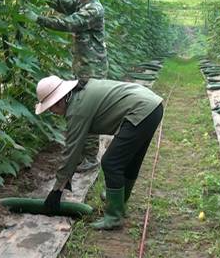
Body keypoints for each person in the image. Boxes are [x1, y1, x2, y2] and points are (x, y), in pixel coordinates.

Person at [35, 75, 163, 230]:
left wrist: (56, 190)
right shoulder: (80, 95)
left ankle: (114, 217)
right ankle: (120, 202)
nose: (51, 112)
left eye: (50, 108)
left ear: (59, 100)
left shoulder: (77, 109)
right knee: (131, 161)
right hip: (153, 107)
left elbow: (72, 151)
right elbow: (80, 144)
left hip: (141, 109)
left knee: (111, 162)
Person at [22, 0, 108, 172]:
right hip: (84, 67)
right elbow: (63, 3)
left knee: (88, 111)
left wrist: (38, 19)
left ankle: (90, 157)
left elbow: (68, 24)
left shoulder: (94, 9)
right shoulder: (82, 3)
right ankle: (82, 154)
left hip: (92, 69)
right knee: (81, 108)